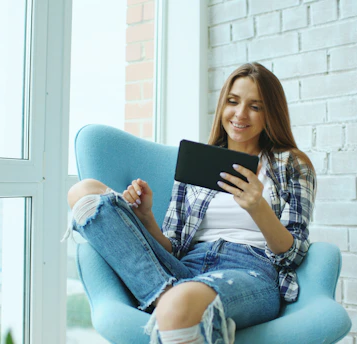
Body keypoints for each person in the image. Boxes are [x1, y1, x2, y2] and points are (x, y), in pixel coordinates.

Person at [67, 62, 316, 344]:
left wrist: (258, 208)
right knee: (85, 191)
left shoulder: (291, 165)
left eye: (255, 107)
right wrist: (146, 216)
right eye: (233, 102)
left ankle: (170, 303)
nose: (240, 114)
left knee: (179, 301)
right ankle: (167, 299)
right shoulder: (197, 163)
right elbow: (174, 247)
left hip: (251, 271)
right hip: (185, 268)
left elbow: (293, 254)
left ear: (270, 113)